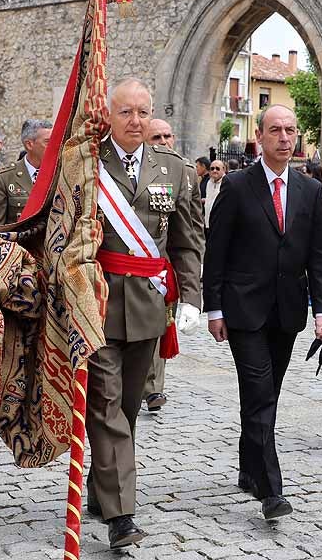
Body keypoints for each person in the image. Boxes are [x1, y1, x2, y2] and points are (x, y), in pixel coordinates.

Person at [85, 79, 203, 549]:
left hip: (150, 306)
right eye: (126, 112)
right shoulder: (87, 164)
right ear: (109, 115)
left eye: (143, 112)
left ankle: (102, 485)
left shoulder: (172, 168)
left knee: (128, 409)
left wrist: (190, 296)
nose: (135, 121)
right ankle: (121, 516)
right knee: (107, 405)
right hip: (97, 304)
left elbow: (187, 239)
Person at [204, 104, 322, 519]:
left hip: (287, 311)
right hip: (243, 310)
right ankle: (271, 491)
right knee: (260, 392)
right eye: (275, 130)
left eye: (290, 130)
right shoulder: (237, 186)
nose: (284, 137)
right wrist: (214, 308)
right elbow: (216, 251)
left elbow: (318, 256)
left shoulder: (309, 190)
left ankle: (248, 467)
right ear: (259, 136)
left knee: (267, 393)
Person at [139, 118, 204, 413]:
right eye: (156, 137)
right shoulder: (135, 170)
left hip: (167, 265)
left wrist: (194, 263)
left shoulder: (185, 171)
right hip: (137, 260)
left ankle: (154, 388)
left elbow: (192, 224)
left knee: (161, 324)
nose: (163, 142)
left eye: (167, 136)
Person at [0, 120, 52, 227]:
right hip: (17, 237)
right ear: (29, 144)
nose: (54, 146)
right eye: (48, 142)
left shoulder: (58, 174)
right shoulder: (5, 177)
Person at [203, 159, 226, 235]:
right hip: (208, 223)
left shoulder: (227, 182)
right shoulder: (209, 182)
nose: (214, 171)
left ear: (223, 169)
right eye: (212, 168)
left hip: (220, 224)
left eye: (217, 168)